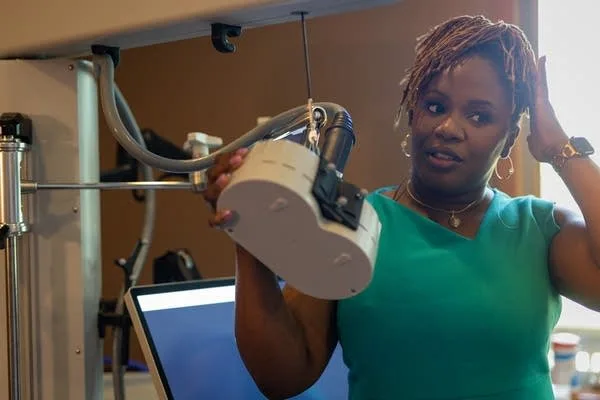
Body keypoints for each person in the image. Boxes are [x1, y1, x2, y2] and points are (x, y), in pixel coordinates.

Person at [203, 14, 600, 400]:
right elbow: (282, 376)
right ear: (412, 110)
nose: (448, 128)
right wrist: (250, 238)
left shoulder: (538, 228)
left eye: (479, 116)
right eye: (434, 106)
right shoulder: (356, 221)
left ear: (510, 135)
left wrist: (559, 150)